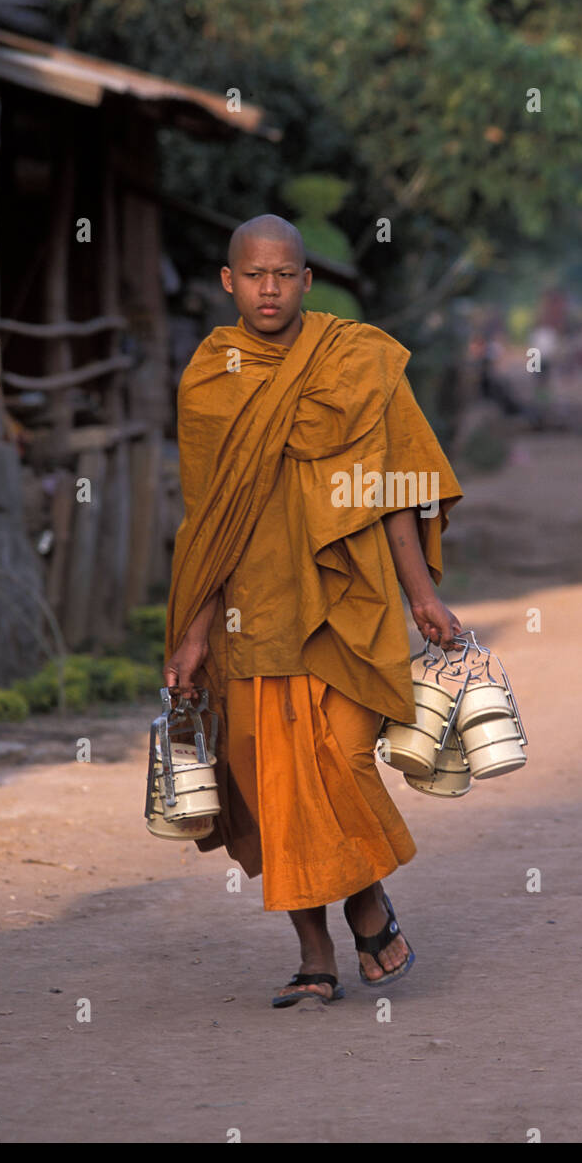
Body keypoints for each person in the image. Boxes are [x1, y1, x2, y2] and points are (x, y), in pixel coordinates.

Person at [163, 215, 463, 1007]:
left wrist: (422, 595)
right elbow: (208, 523)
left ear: (305, 281)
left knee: (341, 760)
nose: (269, 288)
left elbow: (397, 488)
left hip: (347, 597)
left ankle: (364, 900)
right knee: (269, 782)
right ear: (228, 283)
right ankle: (313, 952)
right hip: (250, 613)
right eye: (254, 275)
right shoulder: (209, 379)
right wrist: (193, 633)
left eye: (285, 274)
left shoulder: (356, 360)